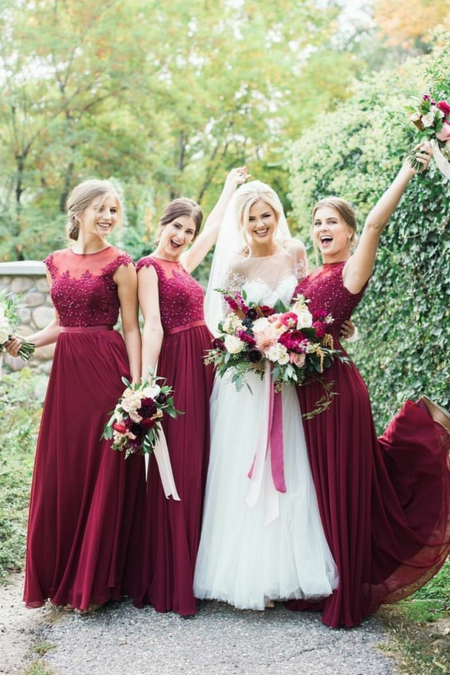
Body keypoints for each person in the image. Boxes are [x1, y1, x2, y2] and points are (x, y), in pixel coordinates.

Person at [287, 142, 450, 628]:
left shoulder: (352, 269)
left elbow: (378, 223)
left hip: (335, 390)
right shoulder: (309, 273)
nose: (322, 229)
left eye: (332, 222)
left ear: (351, 231)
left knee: (341, 485)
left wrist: (405, 170)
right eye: (317, 222)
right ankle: (316, 576)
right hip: (302, 385)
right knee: (315, 485)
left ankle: (348, 587)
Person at [194, 180, 355, 610]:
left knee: (291, 468)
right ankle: (243, 573)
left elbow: (311, 305)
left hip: (288, 377)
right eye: (252, 217)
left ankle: (291, 569)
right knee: (242, 468)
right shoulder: (236, 266)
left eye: (266, 215)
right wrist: (249, 343)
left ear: (276, 216)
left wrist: (313, 334)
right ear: (241, 223)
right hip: (247, 383)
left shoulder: (296, 253)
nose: (261, 223)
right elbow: (226, 324)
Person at [6, 179, 146, 613]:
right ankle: (62, 573)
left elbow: (132, 327)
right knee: (65, 470)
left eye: (114, 210)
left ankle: (97, 582)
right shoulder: (55, 262)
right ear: (79, 210)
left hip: (107, 372)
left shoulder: (122, 263)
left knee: (102, 467)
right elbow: (61, 324)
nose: (108, 217)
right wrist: (25, 342)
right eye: (102, 208)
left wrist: (138, 389)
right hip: (67, 376)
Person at [134, 167, 248, 617]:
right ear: (161, 225)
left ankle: (198, 571)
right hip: (178, 367)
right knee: (179, 464)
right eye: (176, 226)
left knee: (203, 459)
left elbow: (217, 227)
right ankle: (171, 578)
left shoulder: (181, 265)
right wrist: (146, 383)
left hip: (204, 362)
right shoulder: (147, 267)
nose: (181, 235)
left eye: (188, 229)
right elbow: (154, 326)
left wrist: (228, 188)